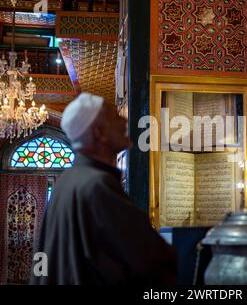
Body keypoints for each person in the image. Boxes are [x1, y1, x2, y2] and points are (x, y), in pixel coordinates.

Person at [30, 93, 177, 285]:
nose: (125, 121)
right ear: (99, 132)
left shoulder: (67, 182)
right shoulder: (98, 185)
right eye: (116, 117)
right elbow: (149, 258)